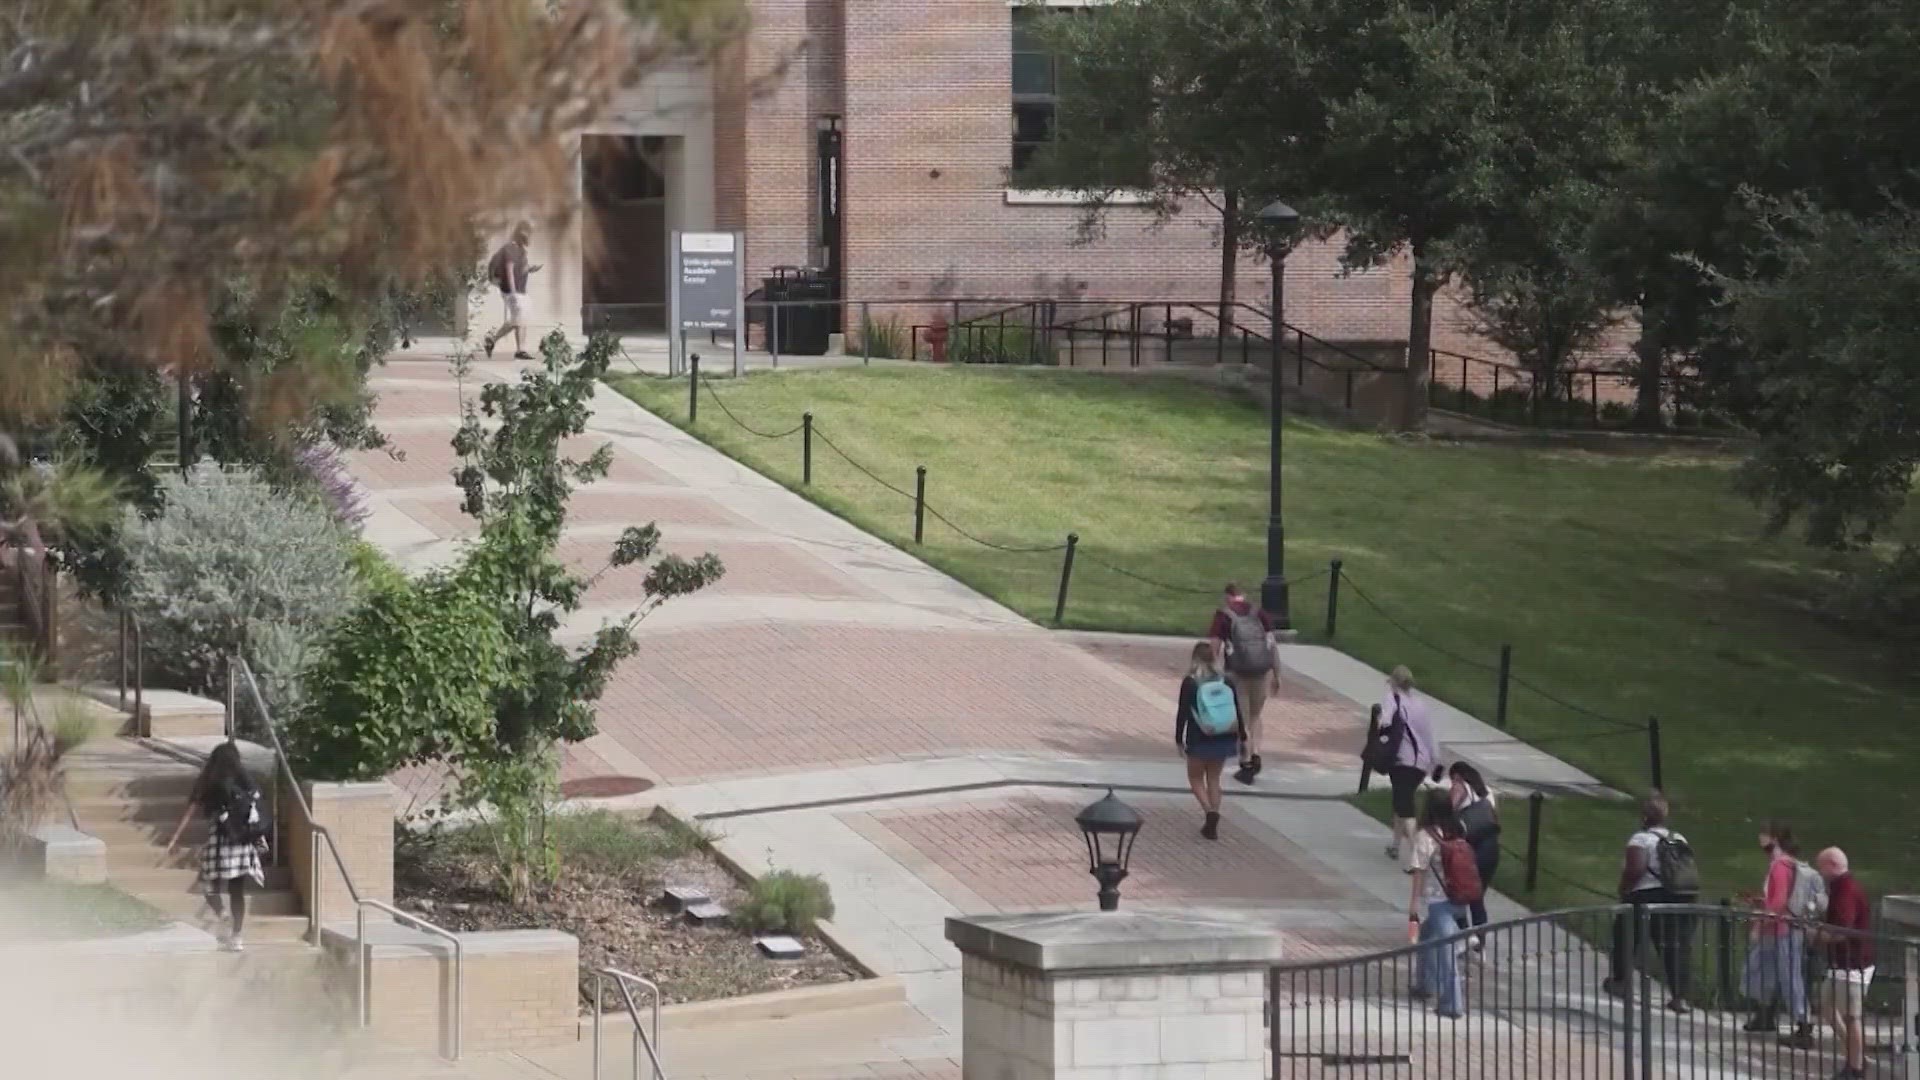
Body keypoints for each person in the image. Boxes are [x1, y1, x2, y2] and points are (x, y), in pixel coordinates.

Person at [164, 741, 268, 952]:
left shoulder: (209, 782)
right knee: (236, 890)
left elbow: (191, 810)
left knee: (208, 885)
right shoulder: (244, 779)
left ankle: (223, 915)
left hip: (220, 840)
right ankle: (237, 936)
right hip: (243, 841)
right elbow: (257, 804)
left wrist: (175, 837)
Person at [1604, 794, 1698, 1013]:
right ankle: (1680, 996)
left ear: (1644, 816)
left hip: (1646, 896)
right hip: (1677, 896)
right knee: (1675, 946)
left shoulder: (1641, 839)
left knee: (1625, 936)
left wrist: (1624, 890)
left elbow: (1635, 869)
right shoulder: (1679, 838)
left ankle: (1621, 981)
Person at [1743, 821, 1814, 1044]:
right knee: (1766, 971)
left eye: (1763, 837)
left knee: (1788, 975)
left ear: (1774, 839)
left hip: (1781, 929)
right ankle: (1766, 1014)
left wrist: (1759, 924)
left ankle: (1803, 1024)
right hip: (1783, 928)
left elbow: (1779, 901)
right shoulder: (1788, 865)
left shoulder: (1779, 866)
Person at [1174, 641, 1248, 840]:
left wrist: (1179, 739)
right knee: (1214, 779)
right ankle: (1213, 815)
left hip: (1199, 736)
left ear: (1195, 658)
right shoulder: (1226, 680)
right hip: (1225, 734)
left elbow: (1182, 713)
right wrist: (1242, 735)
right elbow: (1237, 710)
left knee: (1195, 777)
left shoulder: (1190, 682)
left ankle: (1209, 812)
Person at [1207, 583, 1279, 786]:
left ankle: (1245, 763)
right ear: (1243, 595)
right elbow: (1271, 645)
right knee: (1256, 715)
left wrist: (1215, 670)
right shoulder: (1259, 613)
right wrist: (1276, 673)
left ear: (1228, 596)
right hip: (1261, 671)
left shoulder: (1224, 616)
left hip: (1236, 673)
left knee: (1242, 718)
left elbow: (1215, 646)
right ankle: (1256, 753)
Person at [1812, 847, 1873, 1078]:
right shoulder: (1839, 887)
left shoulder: (1846, 890)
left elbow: (1841, 930)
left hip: (1853, 964)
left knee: (1851, 1016)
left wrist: (1815, 935)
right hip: (1840, 964)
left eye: (1821, 867)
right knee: (1827, 1007)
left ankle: (1855, 1068)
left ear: (1831, 865)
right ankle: (1856, 1053)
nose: (1820, 872)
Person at [1408, 789, 1468, 1019]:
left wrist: (1413, 905)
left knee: (1446, 953)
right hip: (1460, 897)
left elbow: (1419, 873)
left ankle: (1452, 1004)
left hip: (1439, 900)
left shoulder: (1426, 836)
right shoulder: (1458, 828)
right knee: (1426, 937)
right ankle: (1425, 984)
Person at [1379, 666, 1439, 871]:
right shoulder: (1420, 704)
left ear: (1394, 682)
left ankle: (1417, 856)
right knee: (1401, 800)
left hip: (1402, 760)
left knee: (1406, 808)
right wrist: (1435, 760)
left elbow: (1384, 722)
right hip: (1420, 763)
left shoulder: (1392, 698)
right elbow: (1429, 735)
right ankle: (1395, 845)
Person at [1448, 762, 1499, 950]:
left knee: (1458, 894)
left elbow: (1448, 811)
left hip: (1470, 849)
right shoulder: (1487, 793)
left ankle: (1464, 936)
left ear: (1458, 776)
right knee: (1477, 897)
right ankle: (1480, 940)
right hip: (1491, 848)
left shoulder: (1460, 787)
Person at [482, 220, 542, 360]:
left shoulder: (520, 250)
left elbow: (519, 270)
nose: (531, 237)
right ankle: (520, 350)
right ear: (522, 233)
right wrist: (513, 292)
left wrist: (530, 269)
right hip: (511, 291)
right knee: (519, 318)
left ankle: (492, 340)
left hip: (521, 290)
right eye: (529, 233)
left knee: (521, 318)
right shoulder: (511, 248)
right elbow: (509, 270)